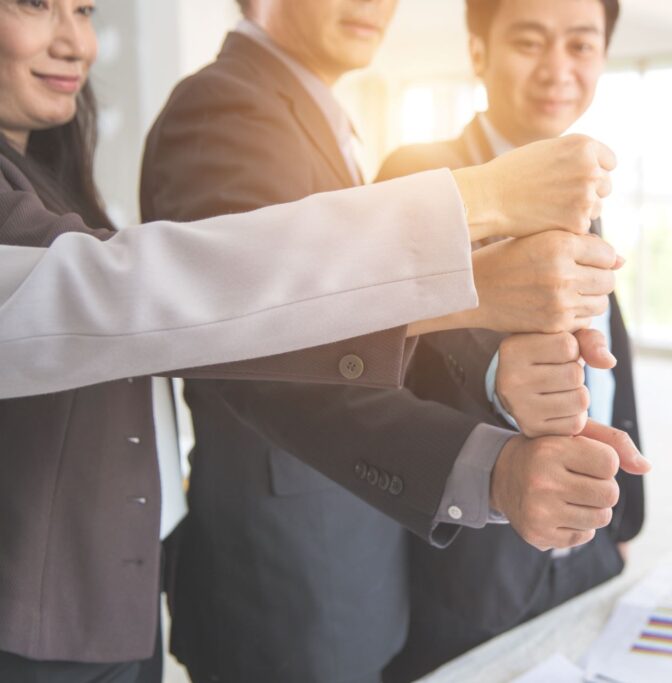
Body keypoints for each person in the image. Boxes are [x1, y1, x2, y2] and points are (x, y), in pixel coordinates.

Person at [0, 1, 625, 681]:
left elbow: (349, 349)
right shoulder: (222, 108)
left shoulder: (307, 113)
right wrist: (476, 240)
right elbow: (231, 334)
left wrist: (491, 364)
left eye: (87, 9)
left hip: (294, 561)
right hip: (278, 573)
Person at [376, 1, 644, 679]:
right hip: (473, 562)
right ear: (478, 51)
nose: (558, 69)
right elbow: (376, 333)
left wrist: (622, 524)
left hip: (590, 548)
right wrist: (495, 363)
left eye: (581, 45)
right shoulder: (421, 173)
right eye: (530, 42)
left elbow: (607, 354)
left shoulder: (585, 186)